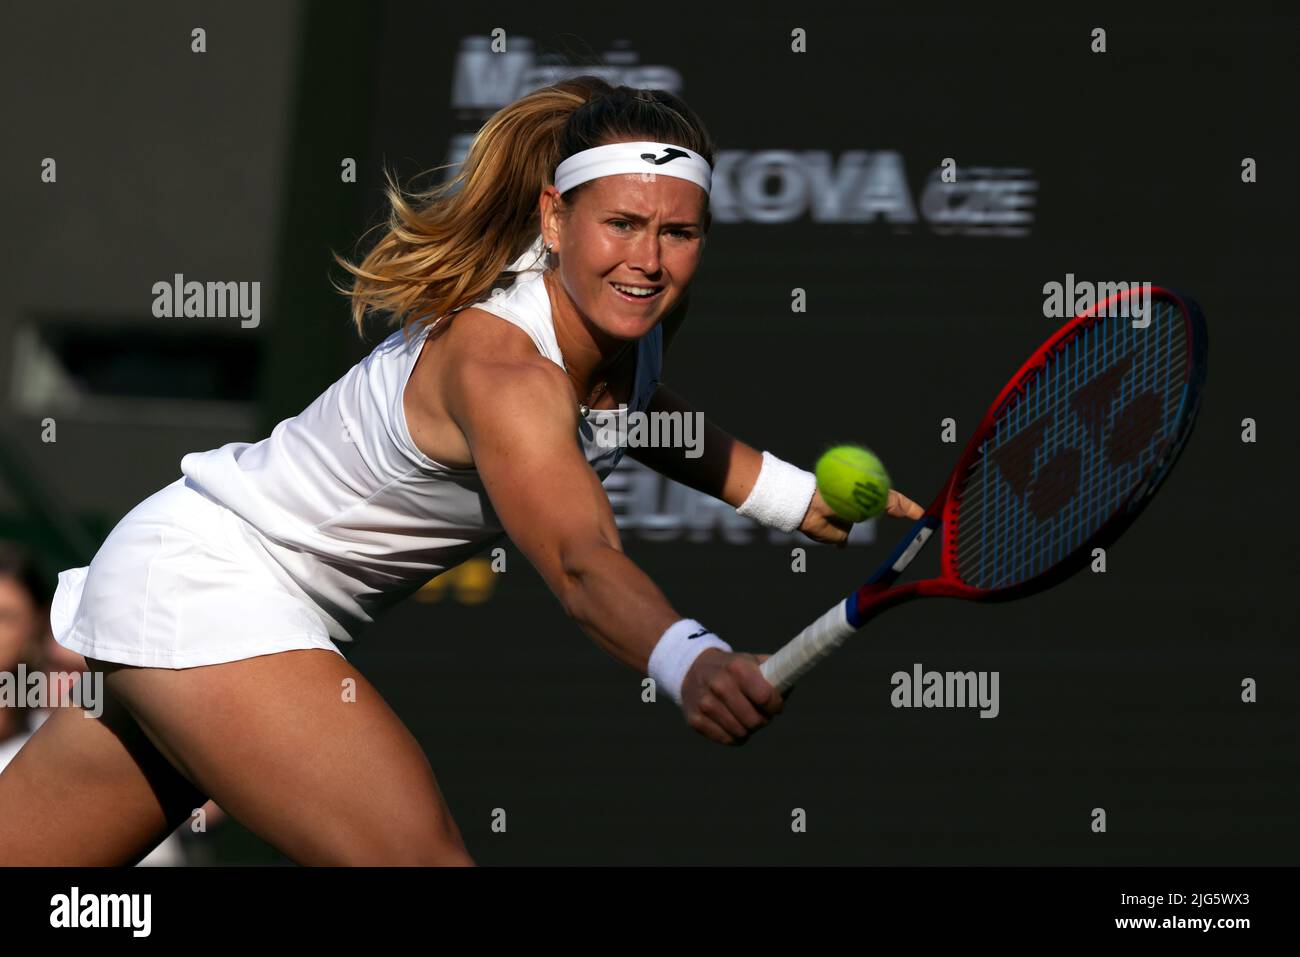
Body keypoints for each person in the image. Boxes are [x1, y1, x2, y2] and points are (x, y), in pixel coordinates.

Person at [0, 76, 922, 866]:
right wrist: (690, 659)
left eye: (678, 233)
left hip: (182, 573)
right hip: (211, 587)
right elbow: (577, 560)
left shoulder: (621, 321)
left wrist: (793, 499)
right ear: (555, 220)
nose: (648, 259)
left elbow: (637, 414)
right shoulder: (504, 374)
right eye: (624, 225)